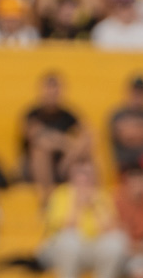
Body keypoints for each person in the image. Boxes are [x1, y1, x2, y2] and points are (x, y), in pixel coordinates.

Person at [40, 157, 128, 278]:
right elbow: (64, 228)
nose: (84, 178)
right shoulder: (61, 194)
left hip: (90, 249)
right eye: (80, 173)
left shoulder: (101, 195)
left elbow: (110, 229)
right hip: (61, 252)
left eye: (87, 174)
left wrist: (94, 208)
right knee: (69, 238)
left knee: (117, 239)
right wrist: (78, 204)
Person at [20, 71, 92, 200]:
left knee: (87, 153)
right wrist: (67, 143)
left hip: (62, 165)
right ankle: (47, 199)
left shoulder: (68, 115)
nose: (52, 93)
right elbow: (38, 138)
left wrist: (69, 158)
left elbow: (88, 136)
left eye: (55, 89)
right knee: (40, 151)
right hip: (33, 169)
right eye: (49, 89)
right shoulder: (32, 114)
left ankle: (92, 199)